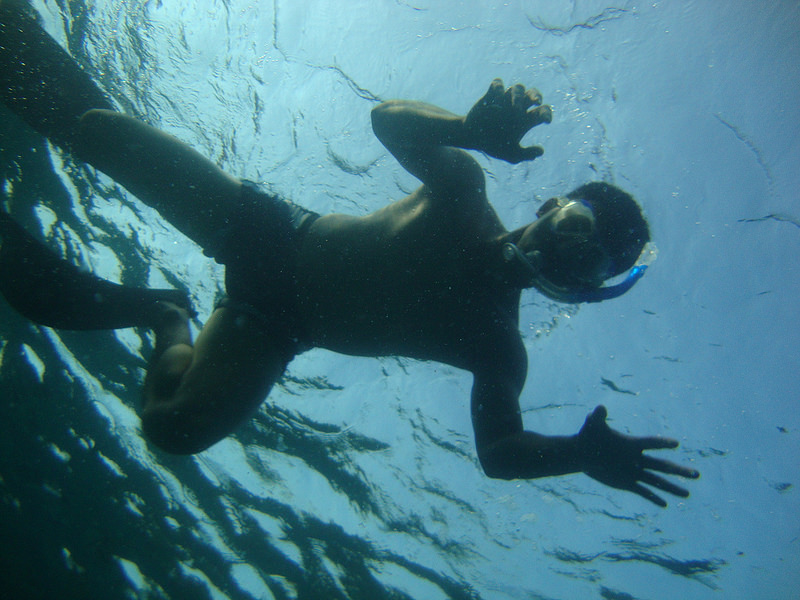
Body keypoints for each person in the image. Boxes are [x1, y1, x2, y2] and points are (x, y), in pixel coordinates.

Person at [0, 2, 698, 508]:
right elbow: (387, 121)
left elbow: (499, 454)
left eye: (592, 264)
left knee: (174, 430)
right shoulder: (464, 191)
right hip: (266, 232)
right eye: (577, 227)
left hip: (270, 326)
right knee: (98, 132)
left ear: (589, 291)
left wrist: (579, 454)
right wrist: (468, 130)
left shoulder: (498, 348)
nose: (570, 255)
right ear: (548, 206)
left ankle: (164, 314)